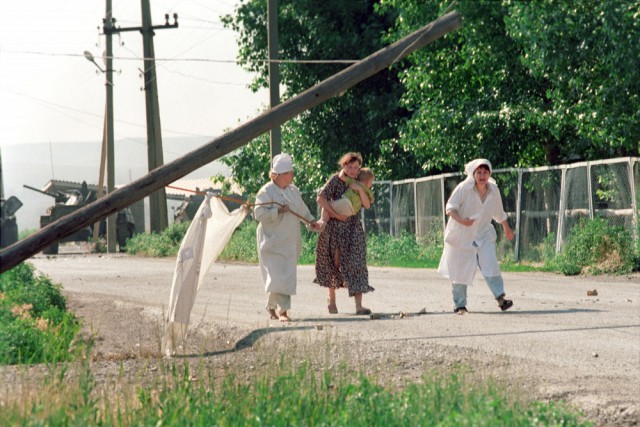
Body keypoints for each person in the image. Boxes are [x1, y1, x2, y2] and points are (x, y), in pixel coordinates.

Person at [437, 158, 515, 315]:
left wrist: (506, 228)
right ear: (473, 173)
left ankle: (501, 299)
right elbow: (450, 208)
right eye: (479, 172)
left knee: (490, 263)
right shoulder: (464, 188)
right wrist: (462, 221)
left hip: (484, 233)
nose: (482, 175)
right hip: (462, 234)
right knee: (461, 269)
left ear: (489, 174)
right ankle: (460, 305)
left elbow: (499, 213)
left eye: (485, 172)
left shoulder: (493, 190)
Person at [254, 153, 320, 322]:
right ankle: (282, 311)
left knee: (286, 275)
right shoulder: (266, 191)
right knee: (277, 276)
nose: (292, 176)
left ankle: (275, 308)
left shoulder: (293, 191)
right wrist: (278, 211)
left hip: (290, 239)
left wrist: (311, 221)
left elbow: (302, 209)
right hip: (272, 241)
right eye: (288, 173)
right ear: (278, 175)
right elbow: (258, 213)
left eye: (291, 173)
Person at [315, 152, 375, 315]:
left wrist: (359, 190)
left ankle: (359, 306)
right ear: (343, 166)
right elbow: (321, 199)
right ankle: (332, 300)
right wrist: (334, 215)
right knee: (333, 264)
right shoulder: (336, 180)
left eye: (356, 167)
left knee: (357, 264)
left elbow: (367, 204)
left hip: (353, 229)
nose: (353, 170)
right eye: (350, 167)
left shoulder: (359, 181)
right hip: (334, 228)